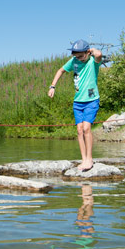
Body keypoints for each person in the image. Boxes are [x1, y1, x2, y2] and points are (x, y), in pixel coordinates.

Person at [49, 40, 104, 171]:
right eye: (76, 56)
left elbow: (99, 54)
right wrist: (53, 86)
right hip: (78, 102)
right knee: (79, 130)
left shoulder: (93, 62)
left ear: (87, 52)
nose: (78, 59)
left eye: (81, 56)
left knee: (86, 128)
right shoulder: (73, 61)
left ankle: (89, 159)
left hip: (91, 100)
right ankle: (84, 159)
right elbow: (60, 71)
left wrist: (93, 50)